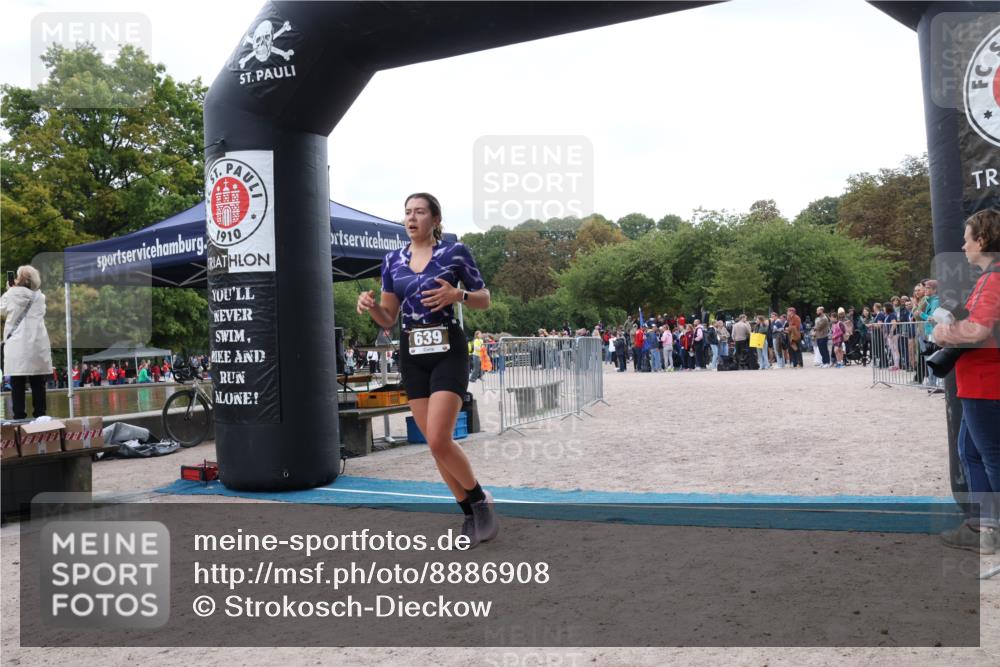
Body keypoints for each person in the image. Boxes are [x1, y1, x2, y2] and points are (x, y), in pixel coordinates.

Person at [357, 192, 498, 548]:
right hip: (412, 352)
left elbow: (484, 298)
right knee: (435, 447)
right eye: (407, 212)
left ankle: (480, 501)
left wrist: (458, 296)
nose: (411, 217)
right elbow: (389, 317)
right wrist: (371, 306)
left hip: (448, 349)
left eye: (419, 211)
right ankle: (468, 512)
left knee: (438, 437)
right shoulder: (392, 260)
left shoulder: (455, 252)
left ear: (435, 219)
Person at [934, 209, 1000, 553]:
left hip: (986, 381)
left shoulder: (993, 278)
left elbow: (978, 330)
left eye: (967, 238)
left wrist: (945, 333)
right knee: (971, 453)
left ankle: (984, 529)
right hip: (983, 381)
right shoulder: (989, 278)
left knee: (988, 457)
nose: (962, 246)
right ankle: (982, 528)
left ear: (983, 239)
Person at [1, 265, 53, 420]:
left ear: (18, 278)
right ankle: (40, 417)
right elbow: (42, 312)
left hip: (17, 345)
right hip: (37, 344)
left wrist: (9, 290)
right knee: (38, 382)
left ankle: (19, 418)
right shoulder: (40, 297)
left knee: (17, 383)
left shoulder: (11, 295)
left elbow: (1, 311)